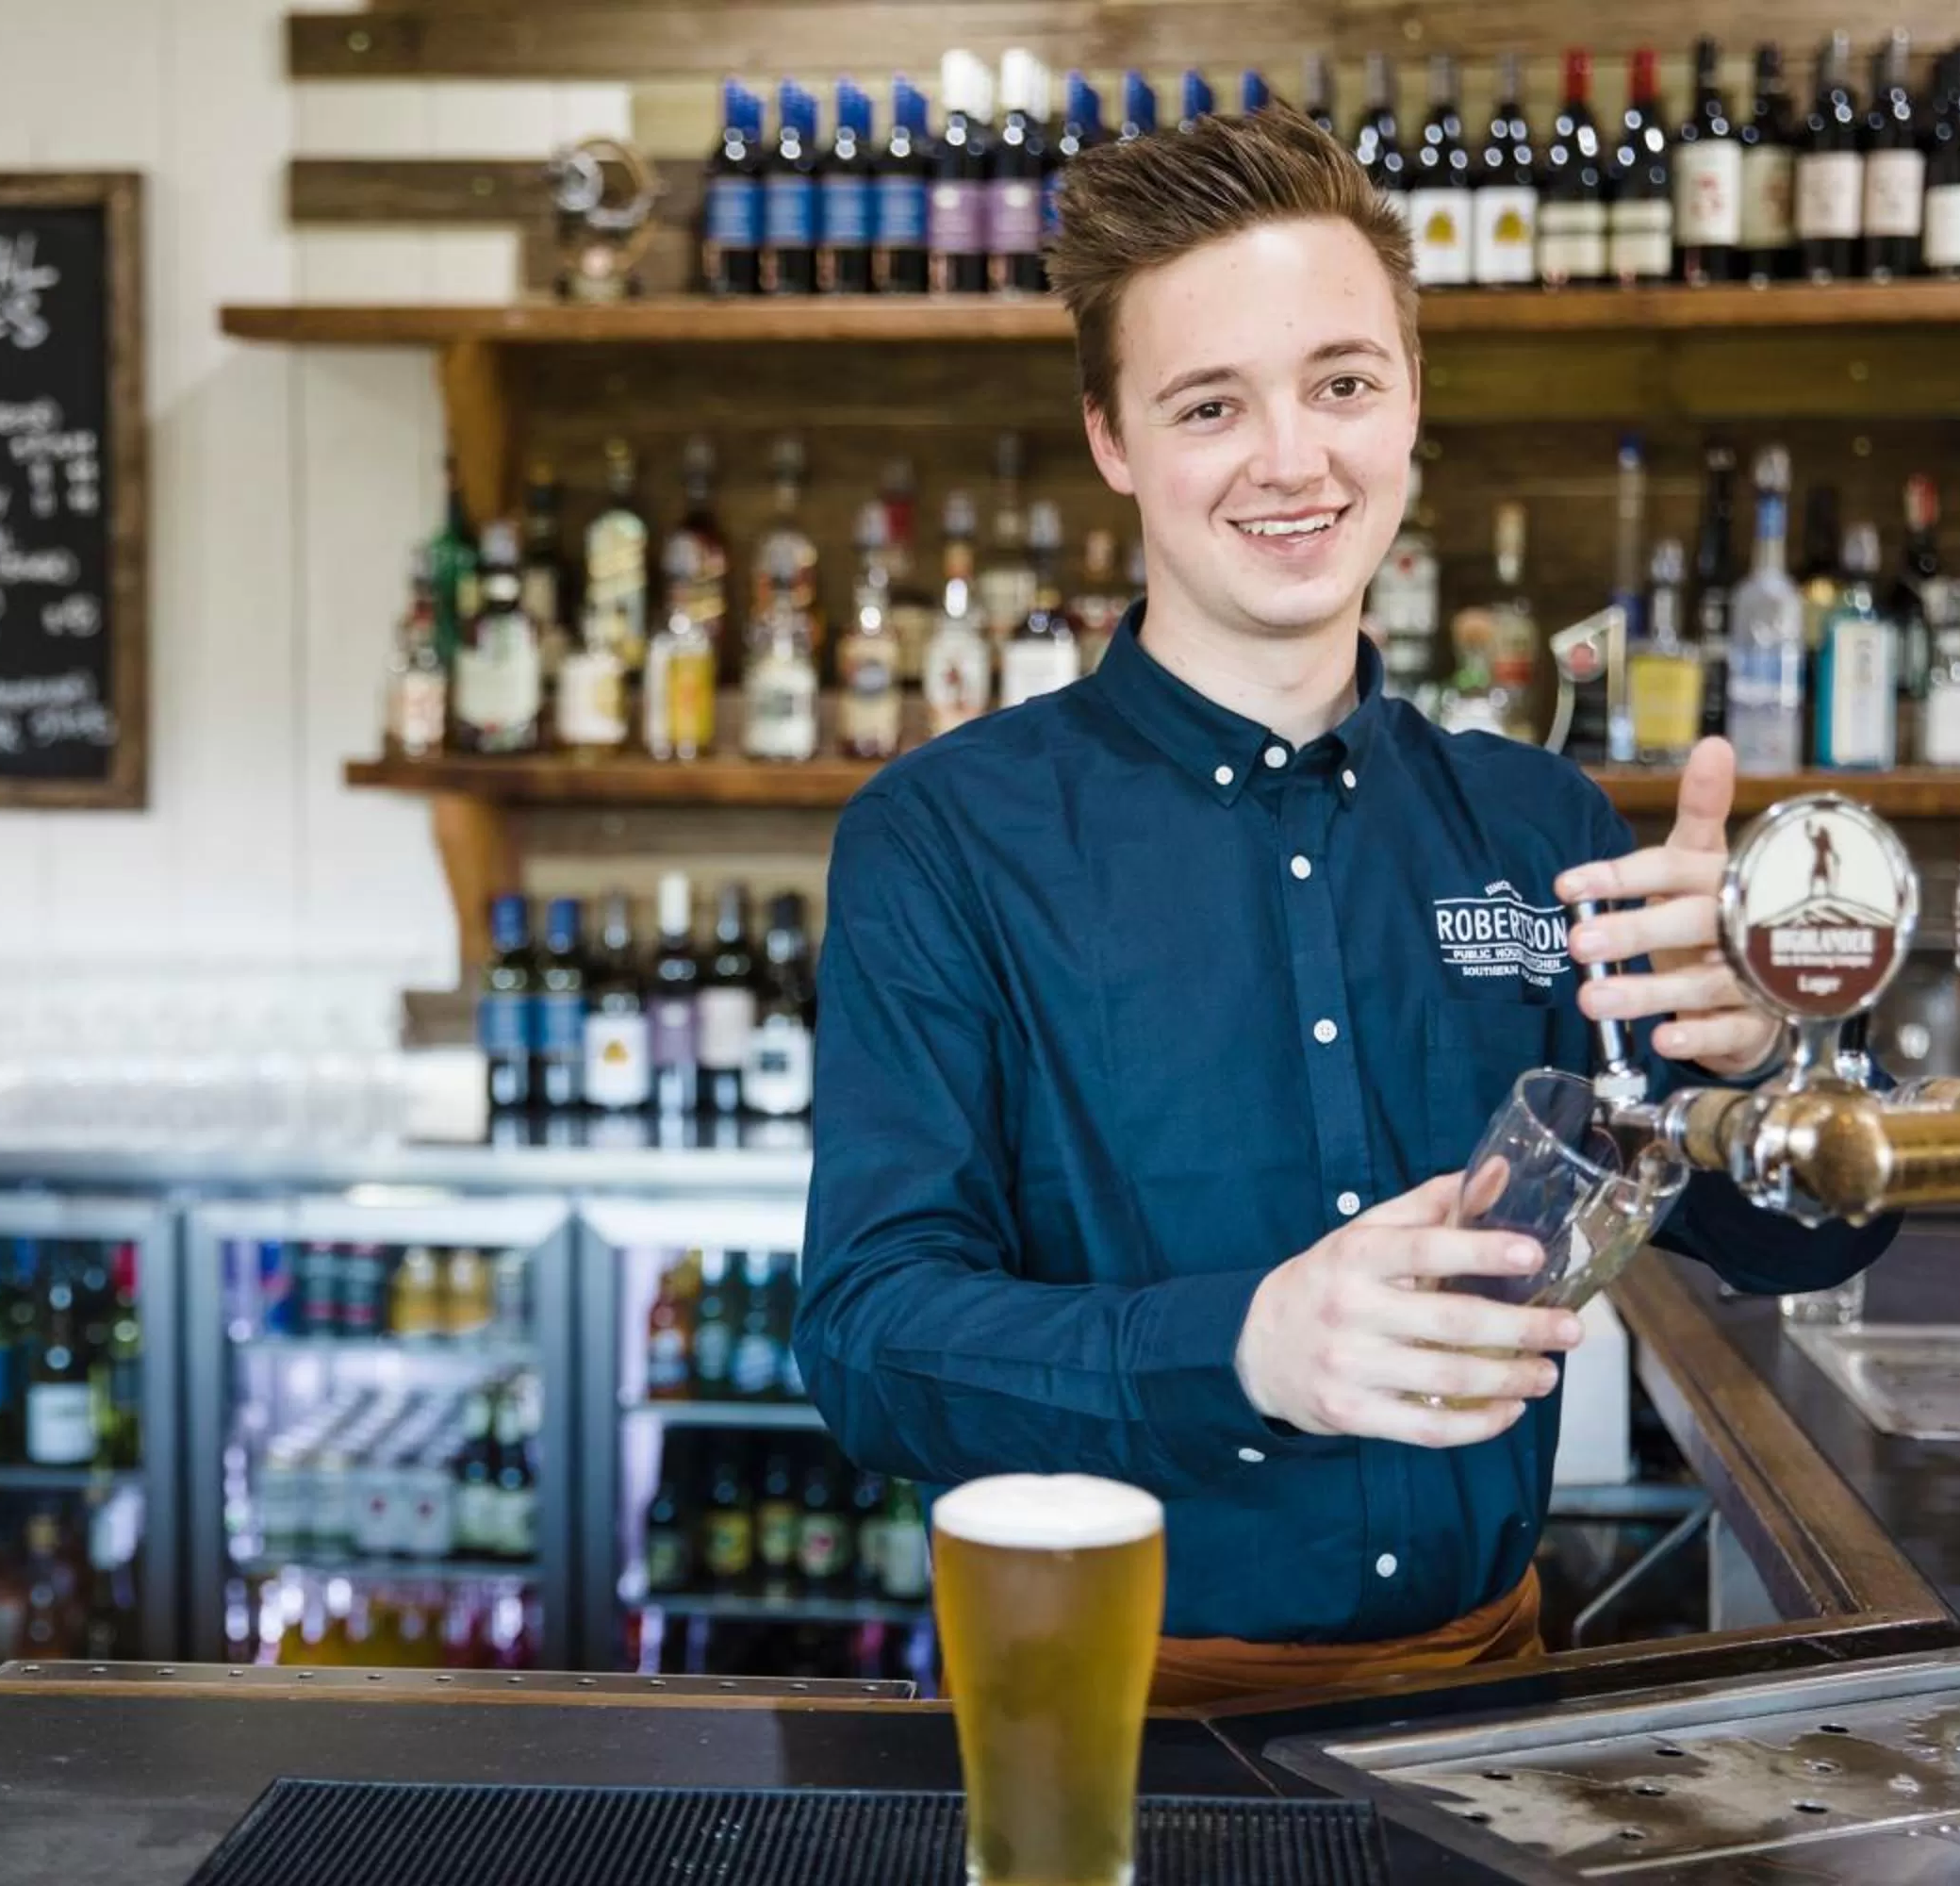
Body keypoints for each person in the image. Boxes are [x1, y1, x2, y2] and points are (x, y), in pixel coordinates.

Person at [794, 107, 1897, 1709]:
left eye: (1343, 383)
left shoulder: (1540, 826)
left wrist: (1773, 1064)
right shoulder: (945, 837)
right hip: (1099, 1706)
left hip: (1488, 1702)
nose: (1294, 460)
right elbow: (869, 1341)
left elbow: (1791, 1243)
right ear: (1113, 439)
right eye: (1209, 404)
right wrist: (1242, 1350)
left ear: (1410, 403)